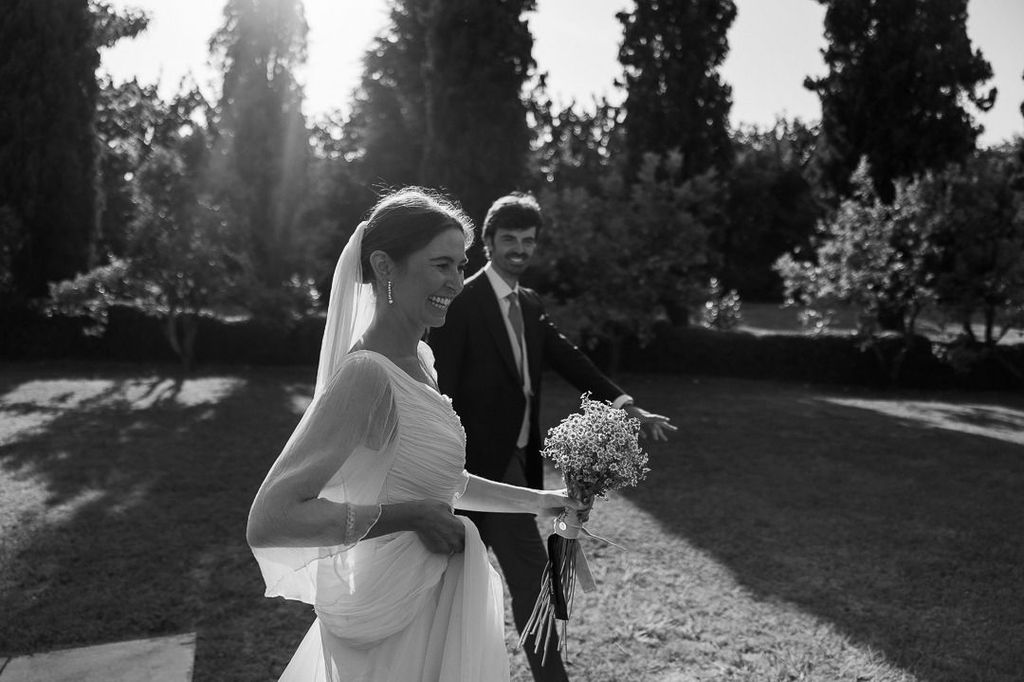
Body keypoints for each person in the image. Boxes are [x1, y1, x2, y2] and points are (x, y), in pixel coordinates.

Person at [246, 187, 586, 682]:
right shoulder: (367, 375)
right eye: (441, 265)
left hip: (434, 600)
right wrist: (409, 518)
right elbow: (271, 518)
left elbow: (444, 481)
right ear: (385, 267)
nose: (456, 281)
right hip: (390, 618)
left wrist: (541, 500)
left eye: (460, 265)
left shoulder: (421, 361)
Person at [428, 191, 676, 682]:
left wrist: (626, 406)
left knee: (501, 582)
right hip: (475, 468)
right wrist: (446, 471)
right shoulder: (463, 300)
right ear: (490, 243)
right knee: (528, 578)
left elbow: (568, 358)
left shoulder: (530, 302)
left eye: (529, 241)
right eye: (510, 239)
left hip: (520, 460)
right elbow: (443, 389)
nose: (520, 249)